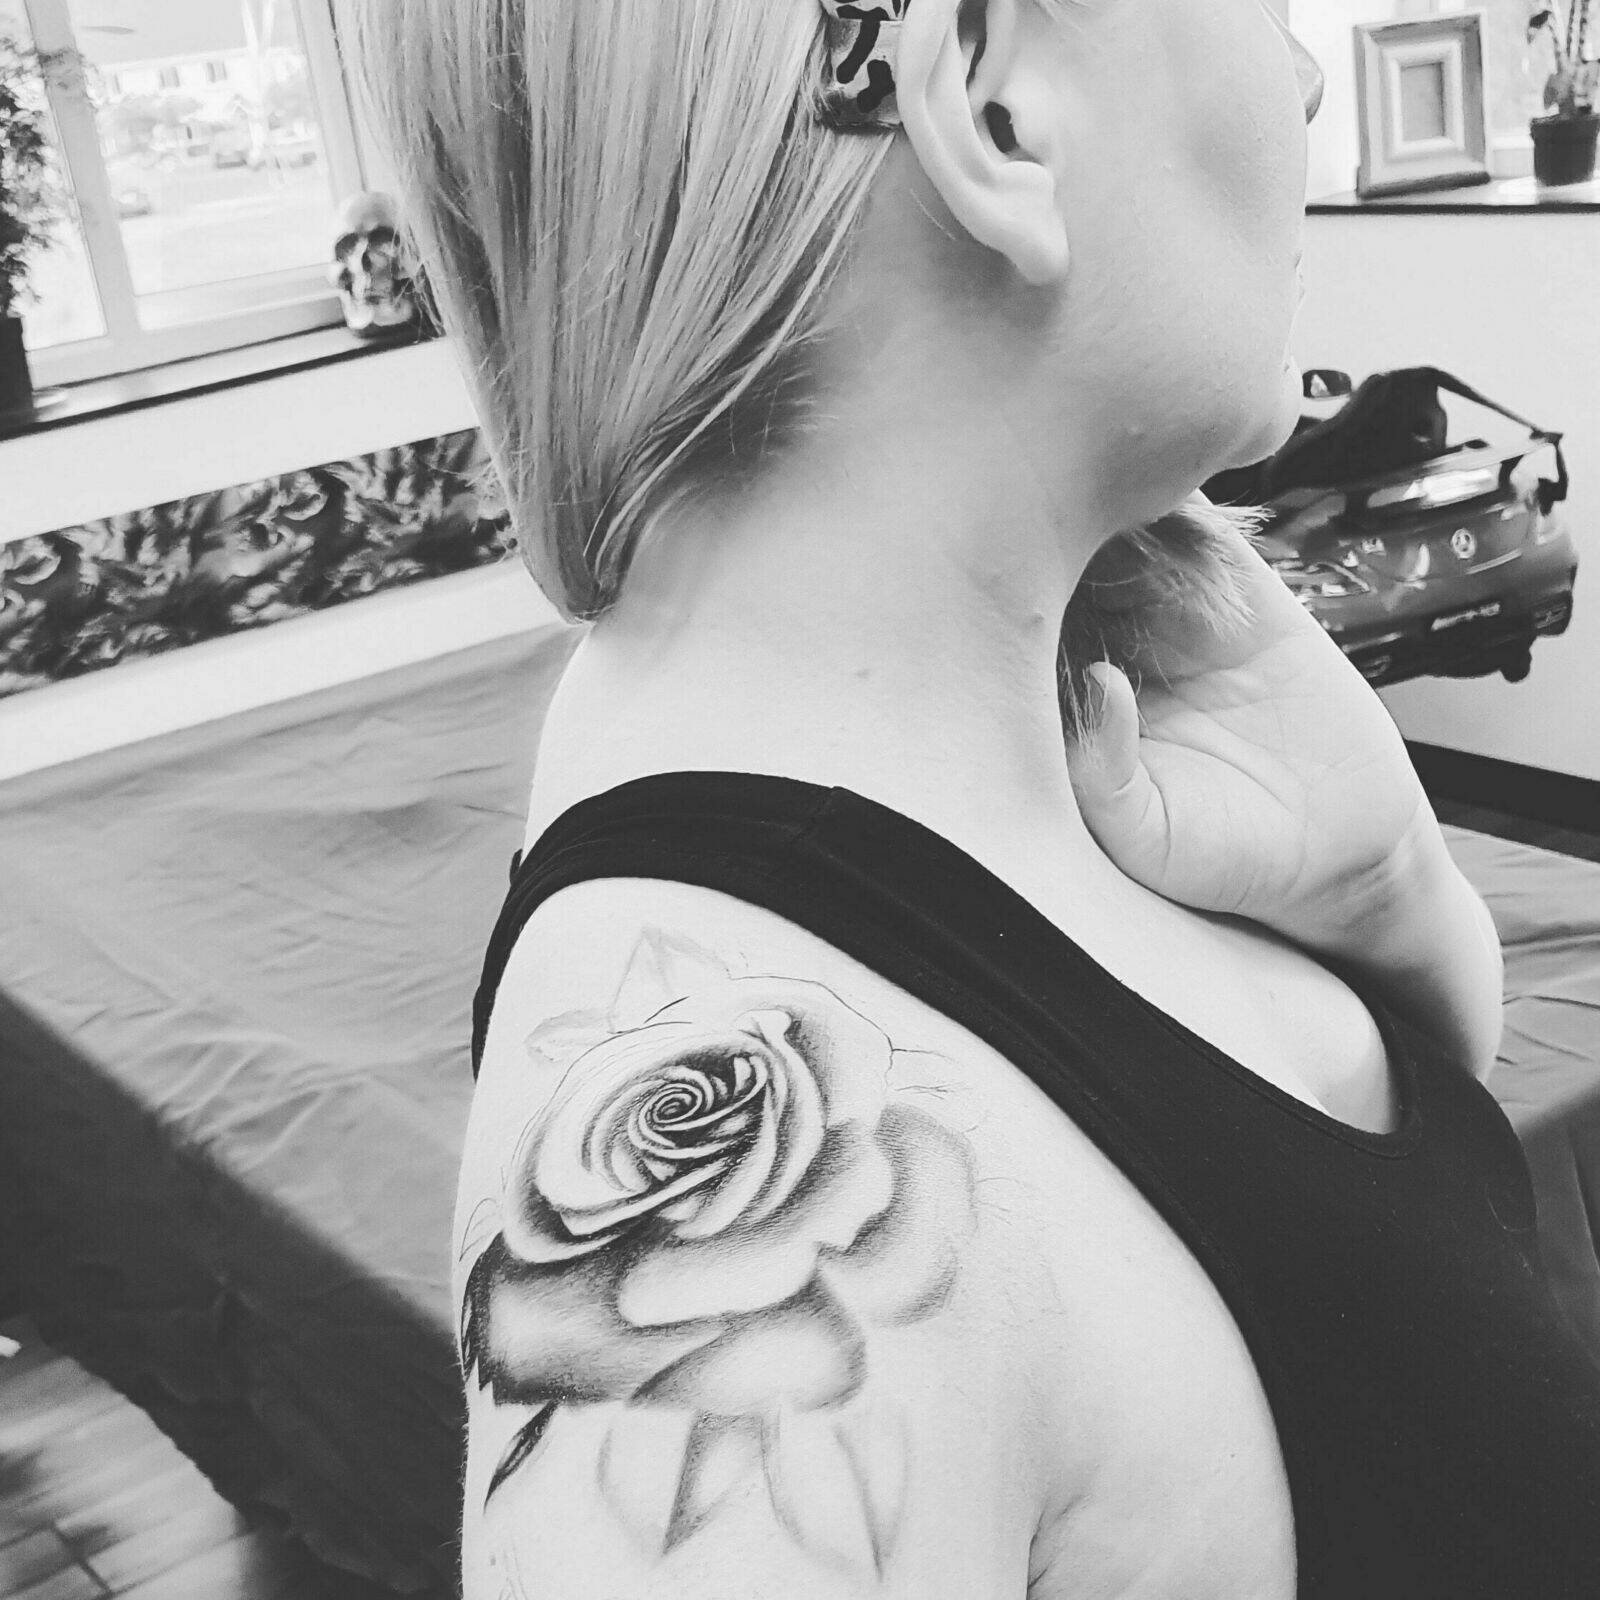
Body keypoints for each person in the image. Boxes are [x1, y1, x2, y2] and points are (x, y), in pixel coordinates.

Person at [340, 1, 1600, 1594]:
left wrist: (1385, 893)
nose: (1298, 80)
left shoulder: (938, 701)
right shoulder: (753, 1220)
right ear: (993, 101)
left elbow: (1387, 1309)